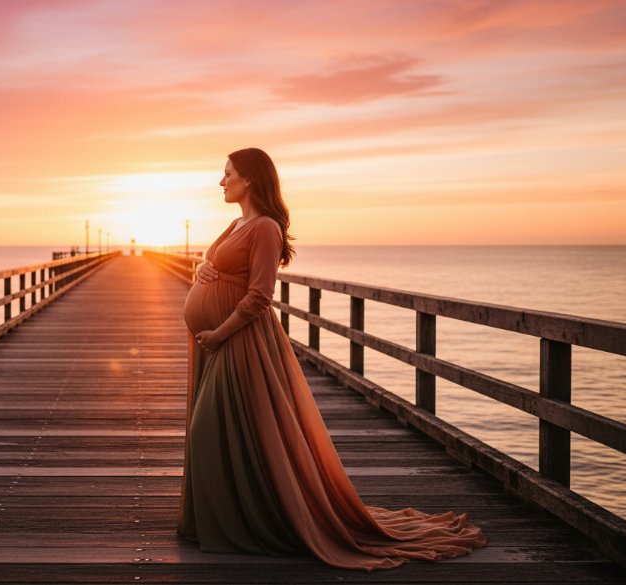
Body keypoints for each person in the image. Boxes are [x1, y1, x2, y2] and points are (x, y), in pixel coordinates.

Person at [177, 147, 486, 571]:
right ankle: (228, 517)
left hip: (239, 341)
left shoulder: (264, 227)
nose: (220, 181)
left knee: (210, 428)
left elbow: (260, 296)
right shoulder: (236, 223)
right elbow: (215, 266)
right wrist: (200, 272)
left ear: (249, 179)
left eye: (227, 173)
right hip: (217, 341)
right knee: (221, 430)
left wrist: (219, 332)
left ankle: (253, 521)